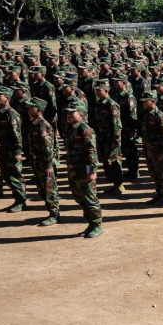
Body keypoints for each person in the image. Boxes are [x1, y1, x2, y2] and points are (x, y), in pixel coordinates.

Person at [60, 101, 103, 238]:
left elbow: (92, 151)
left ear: (80, 114)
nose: (68, 115)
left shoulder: (86, 130)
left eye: (71, 112)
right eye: (67, 112)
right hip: (73, 168)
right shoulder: (69, 128)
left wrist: (92, 170)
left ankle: (97, 225)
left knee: (90, 198)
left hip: (84, 169)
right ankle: (90, 223)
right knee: (80, 198)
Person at [25, 97, 60, 226]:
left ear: (39, 110)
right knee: (42, 189)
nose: (28, 109)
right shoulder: (34, 124)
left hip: (45, 163)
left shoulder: (42, 126)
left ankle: (54, 214)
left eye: (30, 107)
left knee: (49, 189)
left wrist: (48, 165)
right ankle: (52, 212)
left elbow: (48, 148)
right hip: (38, 162)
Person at [0, 87, 27, 212]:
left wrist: (18, 151)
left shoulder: (11, 114)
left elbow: (17, 134)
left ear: (7, 98)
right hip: (2, 149)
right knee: (7, 176)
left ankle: (21, 201)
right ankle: (17, 199)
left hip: (11, 150)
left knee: (15, 176)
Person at [140, 90, 163, 205]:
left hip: (159, 151)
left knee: (162, 173)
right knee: (154, 173)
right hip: (149, 150)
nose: (143, 103)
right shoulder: (146, 115)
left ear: (153, 101)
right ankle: (158, 194)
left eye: (145, 101)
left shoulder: (159, 116)